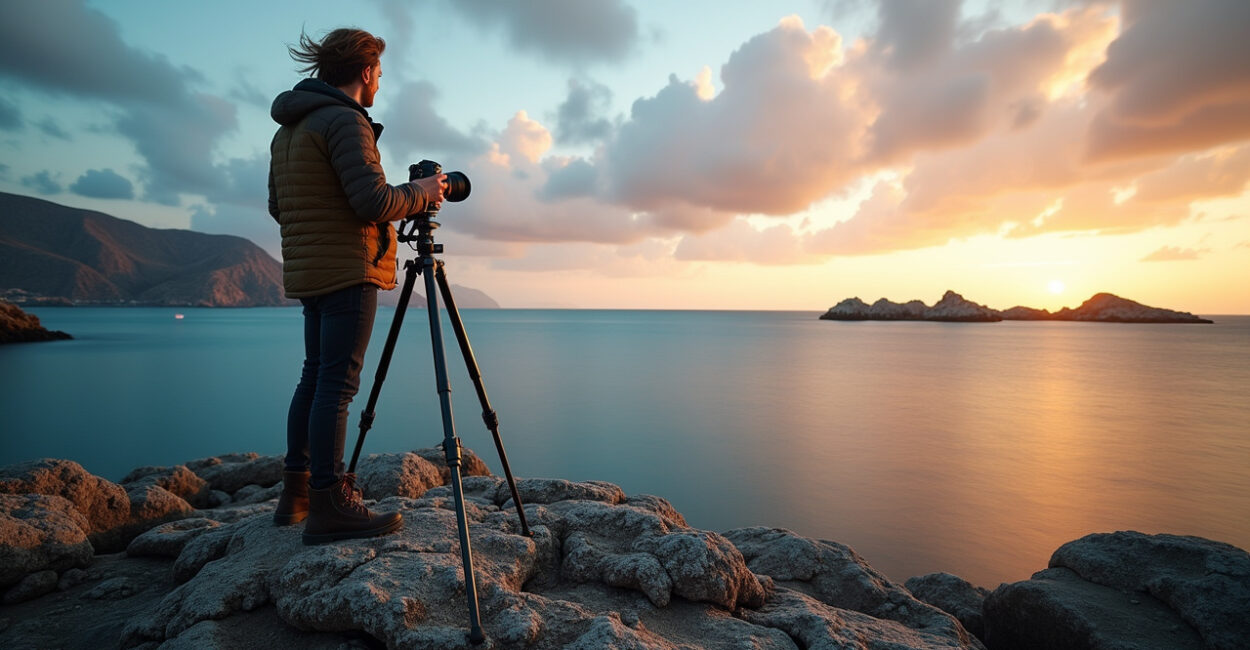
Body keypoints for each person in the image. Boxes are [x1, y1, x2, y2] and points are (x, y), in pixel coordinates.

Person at [267, 28, 446, 544]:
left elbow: (279, 206)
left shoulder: (289, 130)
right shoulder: (346, 121)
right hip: (348, 269)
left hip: (310, 271)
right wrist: (422, 191)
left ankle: (296, 495)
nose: (380, 83)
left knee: (314, 377)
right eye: (380, 73)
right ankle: (330, 505)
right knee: (338, 386)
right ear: (366, 72)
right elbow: (373, 201)